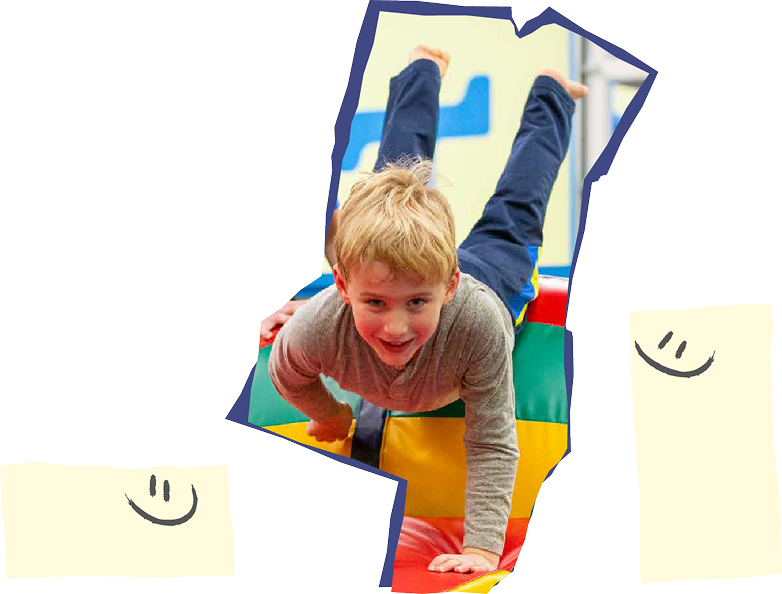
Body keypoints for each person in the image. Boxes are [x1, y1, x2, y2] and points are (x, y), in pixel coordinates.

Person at [262, 45, 587, 574]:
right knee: (391, 179)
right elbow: (286, 372)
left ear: (447, 285)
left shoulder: (476, 323)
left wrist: (482, 546)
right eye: (375, 302)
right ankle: (422, 67)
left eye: (417, 303)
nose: (395, 326)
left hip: (494, 280)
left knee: (517, 206)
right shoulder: (321, 323)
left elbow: (491, 440)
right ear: (343, 287)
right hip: (396, 273)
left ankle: (553, 92)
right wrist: (330, 413)